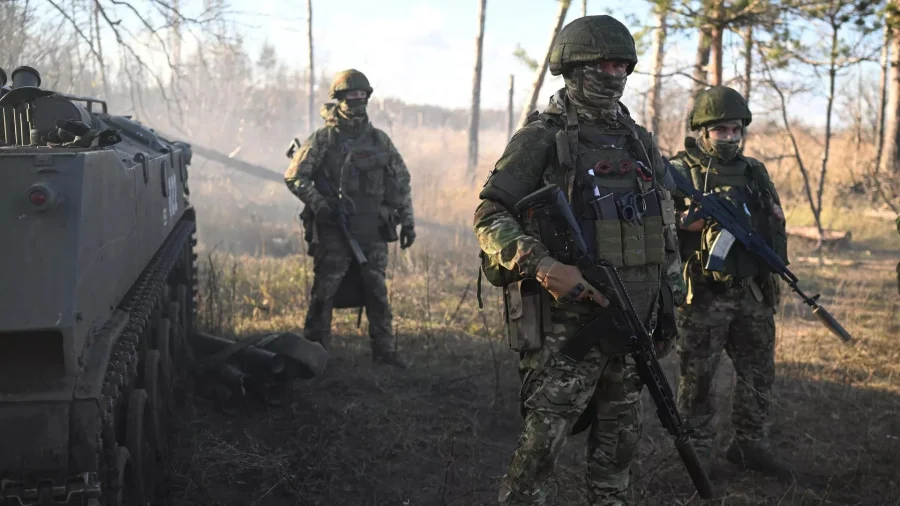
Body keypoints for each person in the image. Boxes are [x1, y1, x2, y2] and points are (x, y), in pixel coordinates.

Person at [474, 15, 684, 505]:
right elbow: (490, 215)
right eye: (603, 64)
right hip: (568, 331)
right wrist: (542, 265)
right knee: (540, 451)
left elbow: (665, 228)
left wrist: (668, 306)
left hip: (632, 321)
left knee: (617, 453)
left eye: (623, 65)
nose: (615, 74)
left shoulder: (638, 141)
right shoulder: (542, 138)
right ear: (573, 68)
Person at [668, 85, 792, 479]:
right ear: (702, 132)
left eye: (736, 130)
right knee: (698, 379)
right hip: (703, 296)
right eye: (720, 130)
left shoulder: (754, 170)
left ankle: (749, 444)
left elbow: (771, 220)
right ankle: (697, 454)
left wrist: (772, 217)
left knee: (759, 373)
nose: (730, 138)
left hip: (752, 292)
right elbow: (653, 228)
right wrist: (686, 224)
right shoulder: (678, 171)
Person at [284, 69, 414, 369]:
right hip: (333, 231)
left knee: (377, 294)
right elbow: (294, 176)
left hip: (373, 231)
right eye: (351, 95)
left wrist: (408, 222)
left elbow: (401, 183)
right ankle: (314, 354)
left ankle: (384, 352)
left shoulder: (380, 141)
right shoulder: (323, 139)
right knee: (324, 294)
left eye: (362, 95)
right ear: (339, 99)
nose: (357, 100)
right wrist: (320, 204)